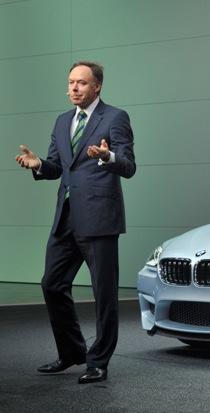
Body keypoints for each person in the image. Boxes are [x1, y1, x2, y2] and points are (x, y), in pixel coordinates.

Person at [15, 61, 136, 384]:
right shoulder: (61, 121)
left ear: (97, 86)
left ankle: (98, 361)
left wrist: (107, 157)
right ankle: (72, 352)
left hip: (99, 217)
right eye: (70, 83)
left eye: (81, 83)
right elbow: (57, 166)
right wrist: (38, 163)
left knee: (104, 294)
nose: (74, 89)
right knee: (51, 284)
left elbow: (128, 166)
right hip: (66, 217)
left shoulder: (115, 118)